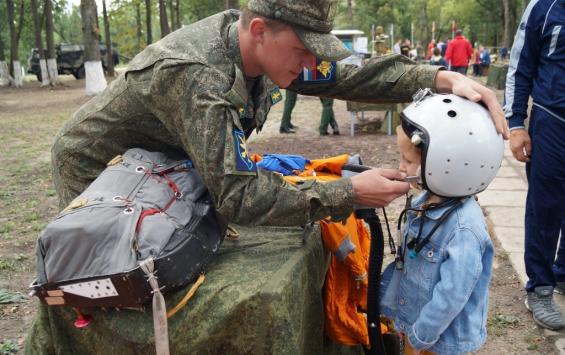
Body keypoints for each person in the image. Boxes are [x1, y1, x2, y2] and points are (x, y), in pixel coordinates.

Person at [51, 0, 508, 230]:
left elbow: (351, 73)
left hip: (164, 166)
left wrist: (444, 79)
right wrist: (346, 192)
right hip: (102, 178)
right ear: (258, 31)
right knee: (129, 279)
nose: (312, 62)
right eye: (304, 50)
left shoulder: (269, 50)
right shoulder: (198, 78)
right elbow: (236, 195)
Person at [380, 92, 503, 354]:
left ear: (450, 164)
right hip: (415, 327)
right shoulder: (425, 199)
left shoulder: (464, 228)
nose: (402, 168)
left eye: (409, 161)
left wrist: (421, 336)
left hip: (439, 340)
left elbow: (453, 294)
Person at [504, 0, 565, 330]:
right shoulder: (545, 6)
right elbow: (520, 64)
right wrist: (515, 124)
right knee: (546, 207)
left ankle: (563, 273)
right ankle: (540, 289)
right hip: (552, 119)